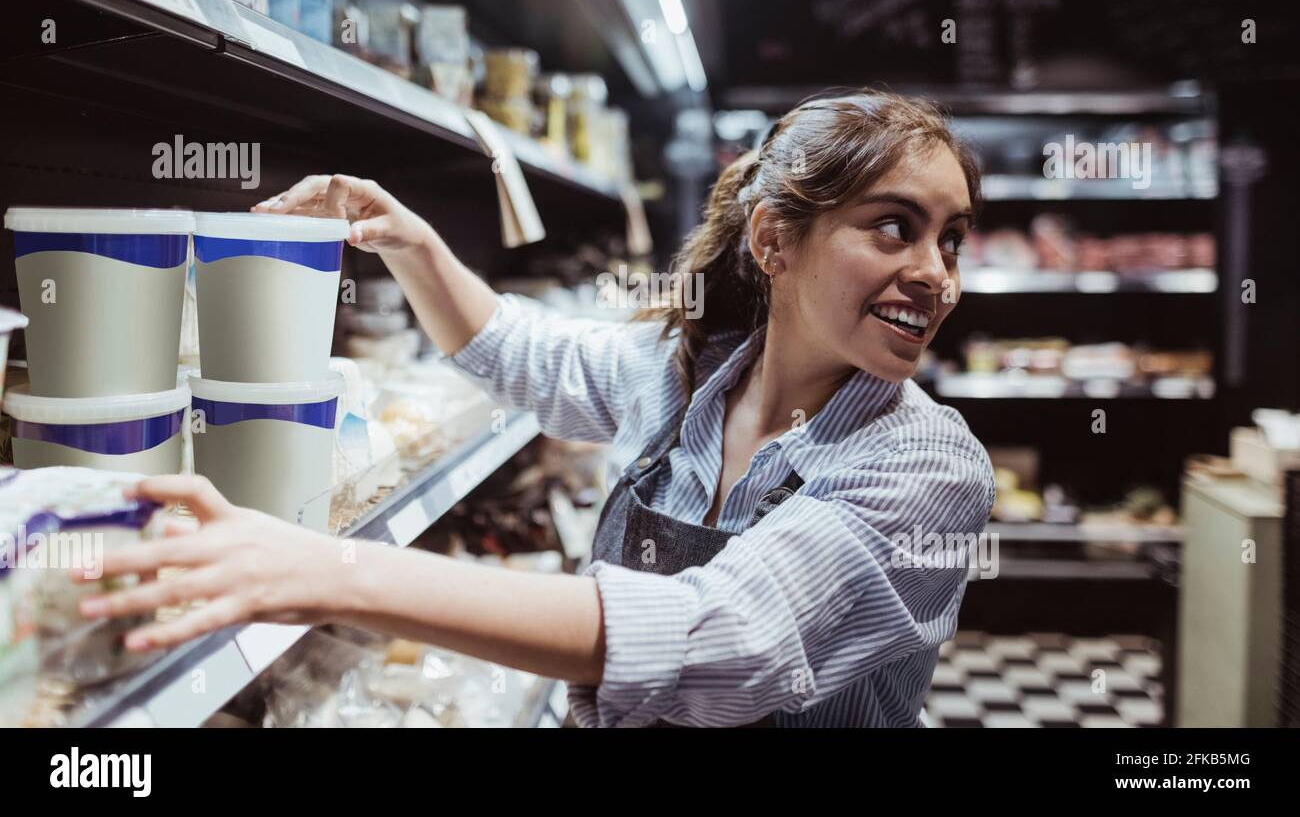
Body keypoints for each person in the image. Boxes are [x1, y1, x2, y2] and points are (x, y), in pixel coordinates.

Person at [80, 89, 996, 727]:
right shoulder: (687, 374)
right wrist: (410, 242)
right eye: (894, 227)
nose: (936, 276)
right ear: (773, 240)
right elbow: (527, 355)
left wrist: (327, 569)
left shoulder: (925, 465)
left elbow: (727, 638)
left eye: (950, 241)